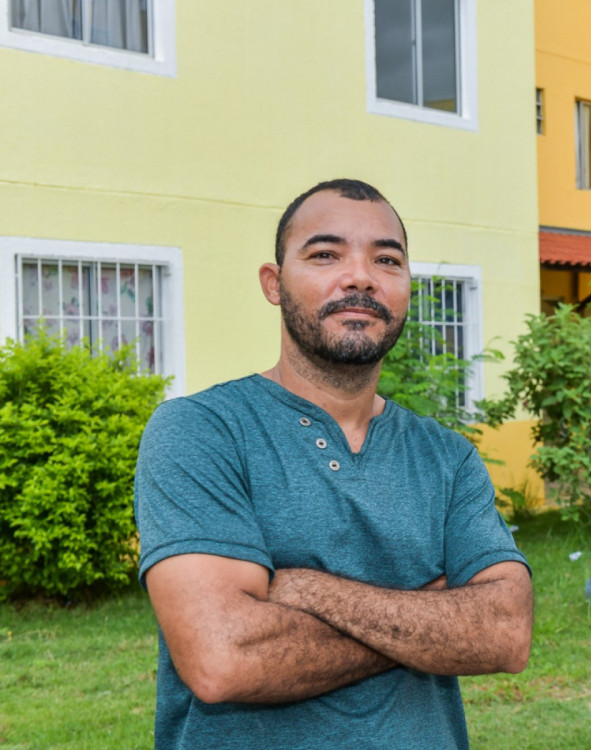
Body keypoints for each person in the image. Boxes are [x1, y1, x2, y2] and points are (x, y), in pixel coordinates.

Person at [134, 178, 532, 749]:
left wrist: (305, 590)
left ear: (406, 289)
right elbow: (225, 659)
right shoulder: (202, 431)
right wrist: (435, 614)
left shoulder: (447, 457)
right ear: (274, 284)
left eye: (387, 260)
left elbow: (505, 632)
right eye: (325, 254)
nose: (361, 277)